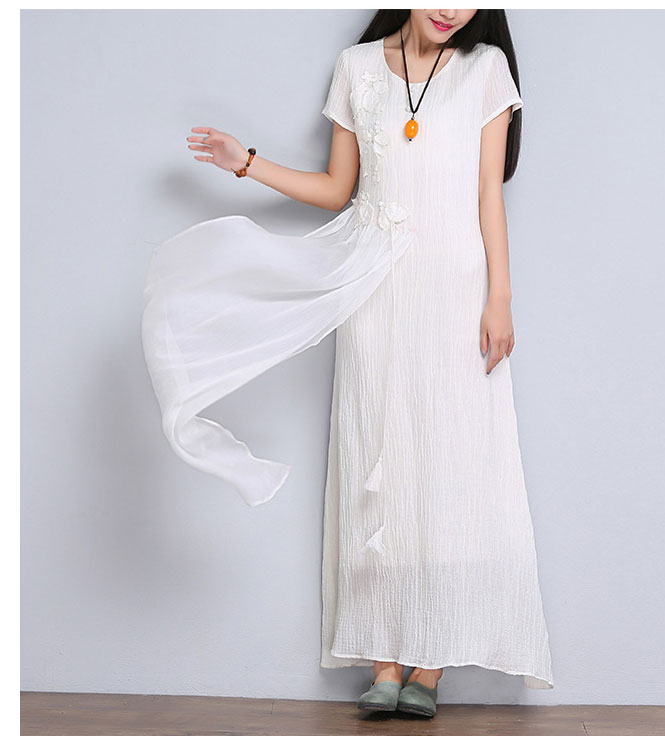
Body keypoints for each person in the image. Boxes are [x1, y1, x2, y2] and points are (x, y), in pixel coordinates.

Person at [141, 9, 553, 718]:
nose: (451, 9)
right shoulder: (357, 68)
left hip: (455, 294)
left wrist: (501, 298)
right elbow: (339, 189)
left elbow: (489, 194)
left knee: (452, 462)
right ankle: (384, 660)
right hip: (376, 292)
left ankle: (431, 664)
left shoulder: (485, 70)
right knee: (376, 459)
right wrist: (246, 162)